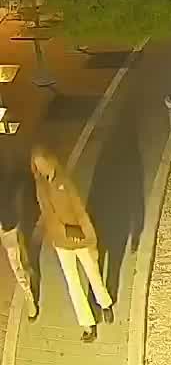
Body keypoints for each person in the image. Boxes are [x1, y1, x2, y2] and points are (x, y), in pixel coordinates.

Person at [29, 145, 111, 342]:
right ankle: (87, 324)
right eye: (37, 165)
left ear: (50, 161)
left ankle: (105, 303)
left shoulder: (64, 181)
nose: (41, 169)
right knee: (73, 283)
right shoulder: (40, 186)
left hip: (78, 237)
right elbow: (46, 214)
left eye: (43, 164)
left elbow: (80, 210)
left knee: (92, 272)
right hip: (60, 242)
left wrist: (90, 237)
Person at [0, 159, 34, 319]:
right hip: (9, 227)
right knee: (19, 258)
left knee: (17, 265)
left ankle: (29, 298)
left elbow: (20, 178)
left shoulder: (7, 179)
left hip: (9, 228)